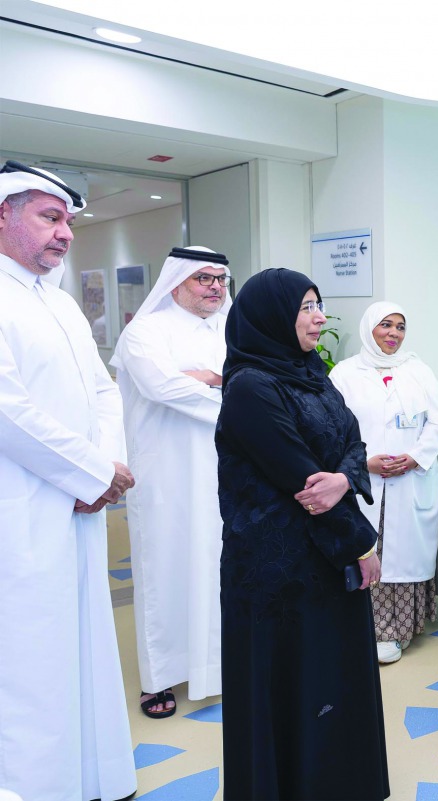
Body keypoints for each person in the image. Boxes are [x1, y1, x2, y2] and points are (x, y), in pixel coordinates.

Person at [215, 268, 389, 799]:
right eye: (306, 307)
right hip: (278, 571)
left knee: (333, 678)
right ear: (271, 318)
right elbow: (301, 479)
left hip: (324, 561)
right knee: (290, 683)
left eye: (320, 304)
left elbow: (353, 441)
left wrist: (345, 477)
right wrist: (361, 542)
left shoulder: (314, 373)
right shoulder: (250, 388)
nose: (319, 317)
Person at [0, 160, 137, 800]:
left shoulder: (60, 304)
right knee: (30, 664)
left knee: (83, 649)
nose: (64, 235)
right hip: (21, 512)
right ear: (3, 213)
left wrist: (103, 473)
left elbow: (103, 393)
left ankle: (92, 778)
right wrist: (89, 473)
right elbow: (8, 410)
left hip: (77, 508)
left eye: (68, 222)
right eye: (49, 218)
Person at [111, 246, 230, 719]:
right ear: (176, 281)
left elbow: (254, 382)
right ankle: (158, 677)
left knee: (221, 568)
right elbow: (163, 387)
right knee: (165, 571)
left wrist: (211, 377)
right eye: (204, 279)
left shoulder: (230, 330)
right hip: (166, 477)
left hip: (225, 469)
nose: (215, 287)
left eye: (220, 278)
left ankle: (219, 667)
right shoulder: (145, 331)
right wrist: (223, 387)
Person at [330, 302, 438, 664]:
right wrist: (363, 464)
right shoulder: (344, 374)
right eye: (386, 325)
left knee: (404, 556)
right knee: (367, 551)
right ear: (369, 328)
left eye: (400, 327)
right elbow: (331, 430)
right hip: (365, 480)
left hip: (411, 478)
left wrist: (415, 457)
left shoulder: (419, 371)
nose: (393, 334)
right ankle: (358, 631)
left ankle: (397, 631)